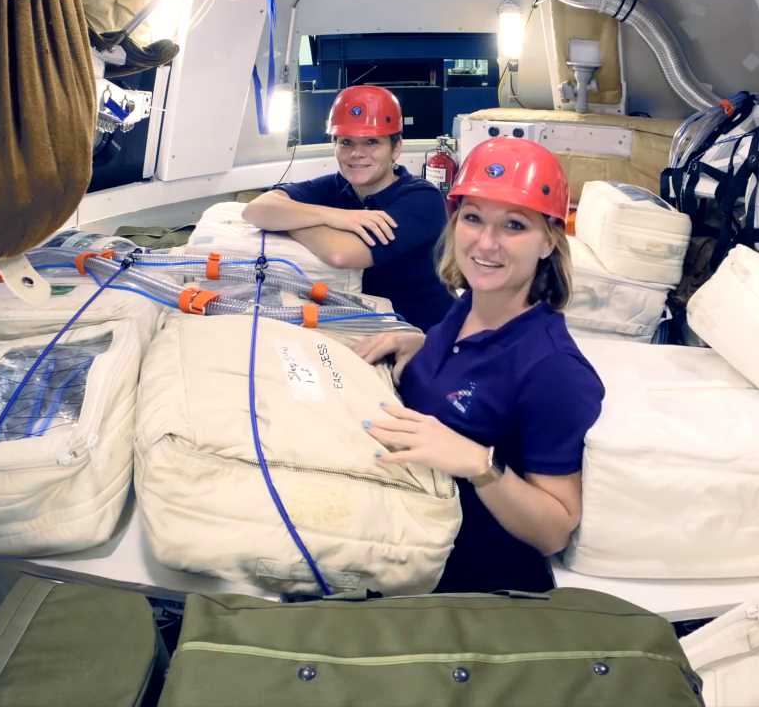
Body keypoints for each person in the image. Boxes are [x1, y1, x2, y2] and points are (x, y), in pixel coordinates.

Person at [355, 137, 605, 594]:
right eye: (473, 218)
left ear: (549, 240)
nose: (486, 243)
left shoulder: (553, 370)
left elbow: (554, 529)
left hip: (463, 584)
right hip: (397, 533)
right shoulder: (467, 306)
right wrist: (416, 346)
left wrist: (477, 462)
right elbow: (464, 381)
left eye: (514, 225)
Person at [240, 85, 456, 331]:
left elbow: (342, 255)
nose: (357, 154)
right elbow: (256, 210)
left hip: (424, 334)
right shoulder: (337, 186)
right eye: (346, 142)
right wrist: (334, 216)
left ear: (396, 148)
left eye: (372, 142)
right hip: (366, 324)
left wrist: (290, 222)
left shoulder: (421, 199)